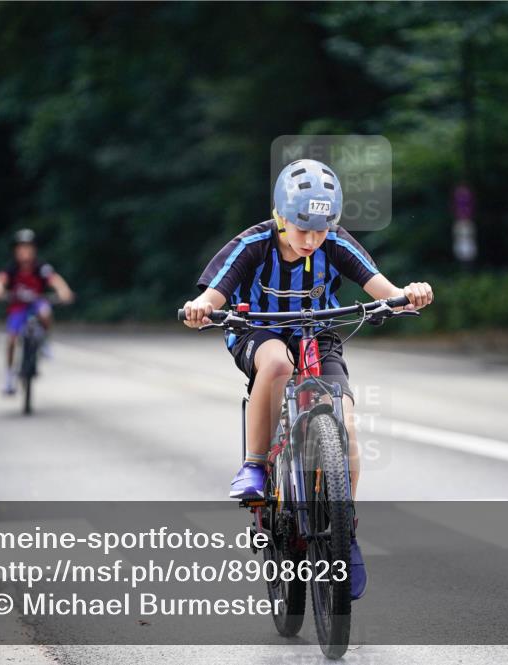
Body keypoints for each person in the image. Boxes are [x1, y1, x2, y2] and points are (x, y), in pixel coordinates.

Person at [181, 159, 433, 599]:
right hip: (257, 333)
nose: (313, 239)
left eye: (321, 228)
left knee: (347, 428)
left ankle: (343, 534)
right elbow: (213, 294)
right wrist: (200, 307)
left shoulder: (334, 242)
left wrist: (408, 295)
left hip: (318, 336)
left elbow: (384, 289)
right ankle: (256, 465)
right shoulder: (252, 244)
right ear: (281, 216)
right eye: (303, 228)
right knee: (277, 364)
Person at [0, 229, 74, 395]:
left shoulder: (41, 267)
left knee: (45, 311)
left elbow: (55, 280)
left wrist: (65, 292)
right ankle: (9, 379)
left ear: (34, 250)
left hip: (37, 303)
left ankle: (45, 342)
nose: (24, 252)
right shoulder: (11, 268)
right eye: (21, 248)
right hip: (18, 307)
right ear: (15, 251)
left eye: (28, 248)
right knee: (11, 340)